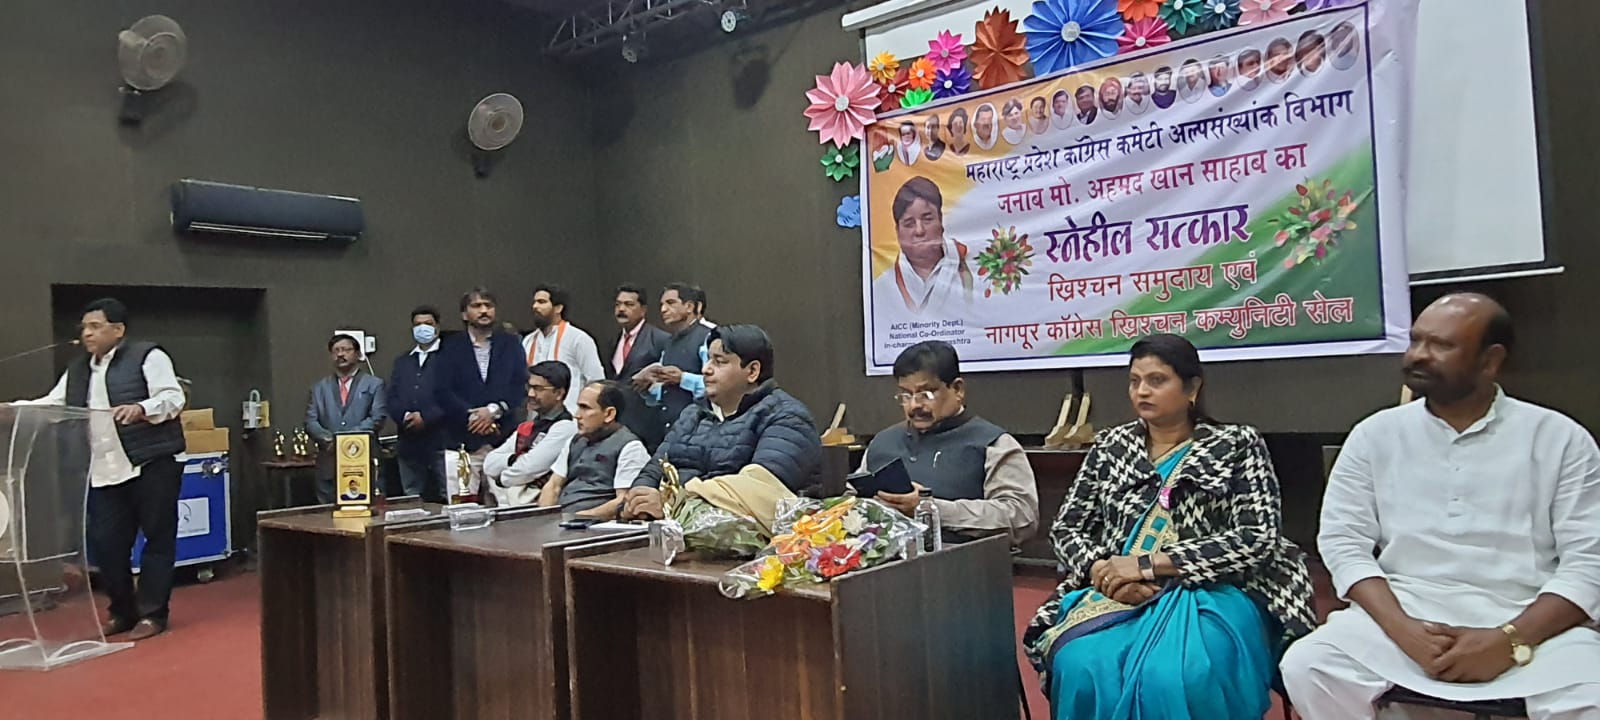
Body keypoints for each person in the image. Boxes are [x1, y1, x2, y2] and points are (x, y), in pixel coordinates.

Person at [1280, 294, 1600, 719]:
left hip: (1528, 619)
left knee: (1591, 694)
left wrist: (1509, 640)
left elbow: (1588, 561)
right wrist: (1404, 631)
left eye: (1441, 345)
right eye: (1416, 340)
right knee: (1310, 666)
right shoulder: (1375, 434)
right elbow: (1343, 544)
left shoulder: (1560, 438)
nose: (1418, 355)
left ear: (1490, 361)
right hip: (1403, 613)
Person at [1023, 334, 1315, 720]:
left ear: (1192, 388)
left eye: (1156, 380)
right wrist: (1104, 572)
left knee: (1181, 674)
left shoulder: (1236, 444)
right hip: (1114, 591)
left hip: (1214, 591)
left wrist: (1149, 565)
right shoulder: (1111, 447)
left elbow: (1257, 537)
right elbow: (1066, 529)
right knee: (1081, 665)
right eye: (1134, 381)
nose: (1142, 391)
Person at [19, 298, 188, 641]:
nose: (87, 333)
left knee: (157, 541)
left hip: (150, 463)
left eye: (95, 326)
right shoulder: (78, 369)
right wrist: (15, 410)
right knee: (107, 545)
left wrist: (142, 408)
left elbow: (173, 398)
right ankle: (123, 612)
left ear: (118, 330)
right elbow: (53, 404)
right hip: (104, 471)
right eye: (84, 327)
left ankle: (153, 614)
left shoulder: (148, 356)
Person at [621, 325, 822, 519]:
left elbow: (758, 491)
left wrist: (670, 503)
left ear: (752, 371)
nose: (706, 369)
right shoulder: (692, 414)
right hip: (672, 529)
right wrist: (640, 499)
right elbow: (655, 468)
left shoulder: (787, 416)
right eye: (708, 359)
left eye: (719, 362)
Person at [859, 342, 1039, 543]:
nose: (914, 405)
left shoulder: (993, 444)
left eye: (926, 394)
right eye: (906, 395)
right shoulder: (882, 443)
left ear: (957, 389)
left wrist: (932, 510)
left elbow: (1021, 516)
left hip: (964, 560)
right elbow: (849, 505)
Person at [440, 287, 529, 496]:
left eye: (488, 306)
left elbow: (520, 385)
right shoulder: (449, 347)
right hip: (461, 438)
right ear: (464, 314)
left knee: (507, 504)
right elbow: (442, 390)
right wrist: (474, 416)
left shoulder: (511, 344)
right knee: (462, 505)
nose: (483, 310)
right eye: (476, 306)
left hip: (502, 438)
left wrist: (493, 411)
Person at [541, 380, 650, 517]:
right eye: (578, 407)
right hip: (562, 518)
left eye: (585, 408)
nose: (577, 415)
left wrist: (578, 518)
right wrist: (544, 518)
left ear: (609, 414)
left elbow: (624, 501)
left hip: (595, 524)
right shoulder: (575, 441)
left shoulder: (631, 447)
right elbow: (553, 485)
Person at [871, 177, 975, 317]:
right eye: (909, 224)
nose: (919, 231)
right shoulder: (881, 289)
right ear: (898, 232)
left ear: (940, 220)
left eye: (927, 219)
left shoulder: (975, 267)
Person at [306, 334, 387, 504]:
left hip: (364, 461)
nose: (340, 354)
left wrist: (346, 440)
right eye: (336, 351)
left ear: (358, 354)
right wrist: (328, 439)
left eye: (346, 350)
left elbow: (377, 418)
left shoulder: (374, 384)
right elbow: (311, 421)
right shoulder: (319, 388)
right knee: (328, 512)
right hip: (330, 463)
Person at [483, 361, 577, 507]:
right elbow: (489, 463)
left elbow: (529, 468)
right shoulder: (530, 425)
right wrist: (513, 459)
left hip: (542, 505)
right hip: (514, 504)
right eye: (530, 387)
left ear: (559, 393)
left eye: (538, 389)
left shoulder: (565, 427)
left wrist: (501, 480)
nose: (531, 394)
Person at [632, 282, 715, 440]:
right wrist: (647, 387)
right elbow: (664, 395)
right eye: (661, 305)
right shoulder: (669, 342)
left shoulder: (709, 337)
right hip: (669, 432)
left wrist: (683, 379)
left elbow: (718, 385)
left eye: (670, 303)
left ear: (689, 307)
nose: (663, 309)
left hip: (700, 432)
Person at [387, 305, 449, 501]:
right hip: (408, 442)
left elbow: (454, 397)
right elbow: (392, 397)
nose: (423, 328)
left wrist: (426, 417)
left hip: (441, 440)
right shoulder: (403, 361)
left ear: (437, 327)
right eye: (418, 324)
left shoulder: (451, 358)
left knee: (448, 494)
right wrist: (404, 416)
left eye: (428, 324)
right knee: (411, 497)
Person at [522, 284, 605, 415]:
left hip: (570, 416)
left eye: (542, 302)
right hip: (535, 418)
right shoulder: (528, 340)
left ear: (558, 308)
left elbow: (596, 381)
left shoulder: (578, 338)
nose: (535, 306)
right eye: (535, 302)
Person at [606, 283, 671, 450]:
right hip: (619, 421)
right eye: (618, 304)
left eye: (629, 304)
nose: (621, 309)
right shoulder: (614, 340)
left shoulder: (660, 339)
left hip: (647, 422)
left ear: (643, 310)